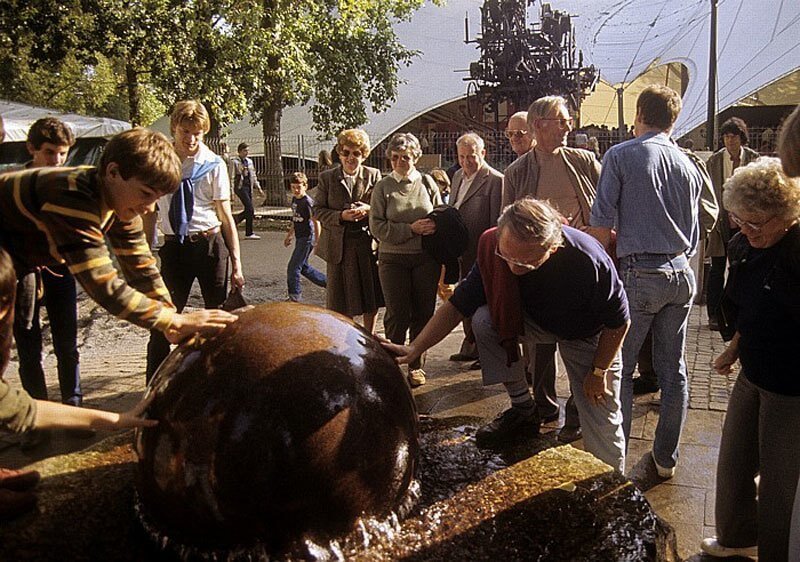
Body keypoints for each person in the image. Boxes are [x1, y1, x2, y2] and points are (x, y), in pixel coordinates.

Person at [382, 198, 629, 471]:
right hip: (536, 320)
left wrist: (597, 372)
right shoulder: (494, 247)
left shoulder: (587, 259)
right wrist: (414, 348)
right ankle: (524, 408)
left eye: (526, 264)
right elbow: (456, 306)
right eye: (508, 257)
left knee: (600, 410)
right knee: (484, 319)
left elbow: (619, 322)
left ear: (553, 247)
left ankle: (614, 488)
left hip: (588, 334)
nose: (513, 268)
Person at [588, 85, 718, 479]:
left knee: (620, 368)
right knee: (672, 369)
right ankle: (665, 460)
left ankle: (617, 459)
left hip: (640, 273)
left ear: (639, 113)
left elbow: (600, 228)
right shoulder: (690, 163)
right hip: (681, 272)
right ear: (673, 119)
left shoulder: (621, 155)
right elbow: (700, 227)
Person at [0, 245, 158, 520]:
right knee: (30, 350)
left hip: (54, 276)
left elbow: (20, 409)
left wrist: (116, 420)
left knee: (66, 346)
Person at [699, 158, 800, 561]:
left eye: (758, 223)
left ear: (788, 215)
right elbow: (746, 307)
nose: (747, 230)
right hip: (753, 371)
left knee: (780, 483)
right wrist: (734, 346)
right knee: (734, 462)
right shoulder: (743, 244)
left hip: (791, 386)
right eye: (740, 220)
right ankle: (737, 537)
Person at [503, 96, 603, 443]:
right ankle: (546, 409)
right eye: (561, 121)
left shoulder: (585, 161)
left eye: (568, 120)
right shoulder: (517, 172)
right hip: (538, 270)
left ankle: (576, 416)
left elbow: (604, 206)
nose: (568, 127)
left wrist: (597, 232)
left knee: (582, 342)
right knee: (540, 348)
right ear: (539, 125)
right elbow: (506, 223)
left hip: (578, 266)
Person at [145, 100, 245, 382]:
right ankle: (154, 387)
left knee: (217, 319)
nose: (190, 139)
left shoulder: (213, 164)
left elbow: (225, 215)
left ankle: (221, 382)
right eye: (185, 132)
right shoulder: (160, 162)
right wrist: (146, 252)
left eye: (197, 133)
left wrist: (236, 263)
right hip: (174, 247)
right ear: (174, 129)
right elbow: (150, 211)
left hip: (210, 246)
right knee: (162, 318)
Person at [12, 118, 82, 412]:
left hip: (61, 272)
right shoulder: (12, 186)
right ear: (32, 149)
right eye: (50, 152)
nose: (57, 160)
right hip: (23, 276)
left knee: (67, 345)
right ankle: (38, 414)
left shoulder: (71, 186)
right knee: (29, 349)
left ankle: (74, 404)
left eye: (62, 153)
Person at [370, 132, 442, 388]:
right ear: (390, 159)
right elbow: (377, 227)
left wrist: (434, 227)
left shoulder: (427, 183)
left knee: (423, 313)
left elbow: (440, 216)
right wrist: (410, 229)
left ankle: (416, 365)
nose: (401, 161)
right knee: (397, 314)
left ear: (416, 158)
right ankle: (391, 363)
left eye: (407, 157)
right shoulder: (383, 187)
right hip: (392, 259)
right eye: (396, 157)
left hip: (425, 259)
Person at [313, 129, 382, 333]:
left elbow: (382, 207)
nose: (351, 158)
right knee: (340, 300)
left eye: (356, 153)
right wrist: (340, 216)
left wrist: (368, 210)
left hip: (365, 244)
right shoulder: (327, 178)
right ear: (339, 153)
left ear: (364, 154)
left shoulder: (373, 175)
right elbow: (317, 210)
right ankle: (345, 338)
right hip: (338, 247)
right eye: (346, 153)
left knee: (370, 297)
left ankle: (369, 338)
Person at [447, 133, 503, 367]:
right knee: (463, 298)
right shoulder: (458, 176)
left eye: (471, 156)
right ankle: (470, 345)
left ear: (483, 153)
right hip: (460, 251)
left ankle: (486, 352)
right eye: (462, 157)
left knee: (483, 302)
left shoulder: (495, 180)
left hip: (481, 252)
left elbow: (495, 224)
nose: (467, 162)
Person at [705, 118, 759, 331]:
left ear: (741, 138)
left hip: (746, 222)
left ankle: (738, 313)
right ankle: (714, 315)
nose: (730, 141)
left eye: (734, 136)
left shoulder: (753, 159)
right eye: (726, 137)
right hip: (721, 222)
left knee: (742, 268)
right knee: (717, 269)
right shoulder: (715, 161)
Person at [284, 172, 326, 301]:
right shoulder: (294, 200)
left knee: (293, 268)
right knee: (303, 267)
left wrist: (317, 241)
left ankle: (295, 297)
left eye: (299, 187)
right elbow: (295, 219)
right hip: (300, 236)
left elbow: (316, 221)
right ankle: (331, 284)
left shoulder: (307, 202)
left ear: (305, 186)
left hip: (307, 238)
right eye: (293, 187)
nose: (296, 190)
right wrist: (290, 235)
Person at [230, 142, 264, 240]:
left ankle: (236, 220)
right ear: (239, 152)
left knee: (249, 209)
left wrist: (258, 187)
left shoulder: (249, 161)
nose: (246, 153)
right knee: (250, 208)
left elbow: (253, 175)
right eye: (244, 151)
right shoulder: (235, 162)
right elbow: (231, 177)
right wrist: (231, 191)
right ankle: (248, 232)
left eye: (247, 151)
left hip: (249, 186)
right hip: (240, 187)